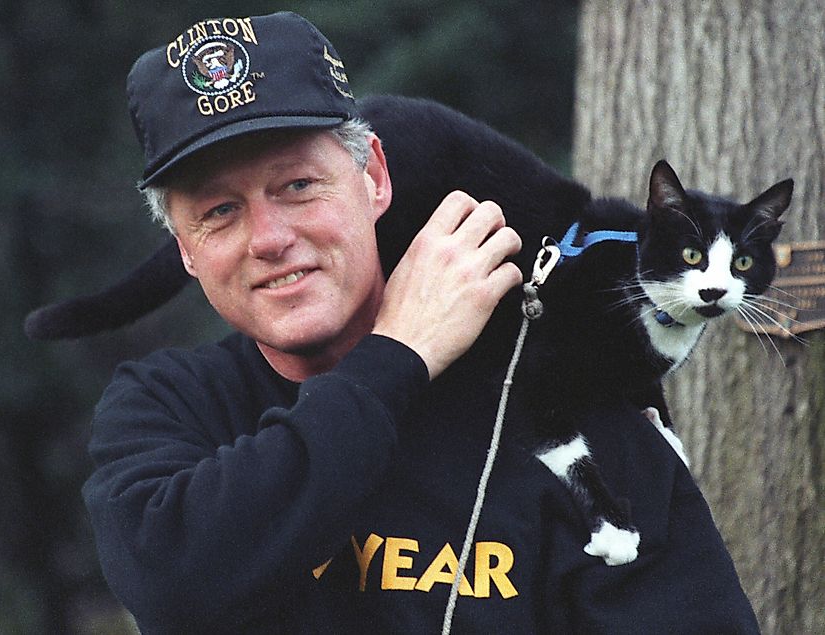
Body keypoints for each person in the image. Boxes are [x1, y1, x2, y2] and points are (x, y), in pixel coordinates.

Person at [82, 12, 761, 634]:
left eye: (296, 186)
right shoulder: (169, 404)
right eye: (219, 211)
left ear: (375, 177)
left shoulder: (565, 412)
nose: (268, 237)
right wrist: (395, 355)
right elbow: (173, 583)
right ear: (186, 250)